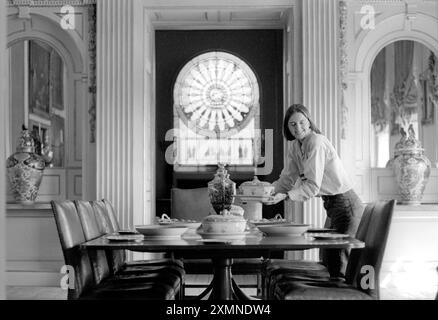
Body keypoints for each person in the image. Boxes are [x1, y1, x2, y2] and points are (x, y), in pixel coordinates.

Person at [265, 104, 363, 278]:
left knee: (337, 263)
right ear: (287, 128)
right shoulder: (295, 146)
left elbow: (312, 186)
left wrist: (285, 196)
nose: (298, 128)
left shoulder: (316, 142)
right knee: (327, 259)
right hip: (332, 205)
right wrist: (266, 192)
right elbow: (287, 179)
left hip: (346, 204)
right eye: (292, 124)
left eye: (302, 122)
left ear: (309, 122)